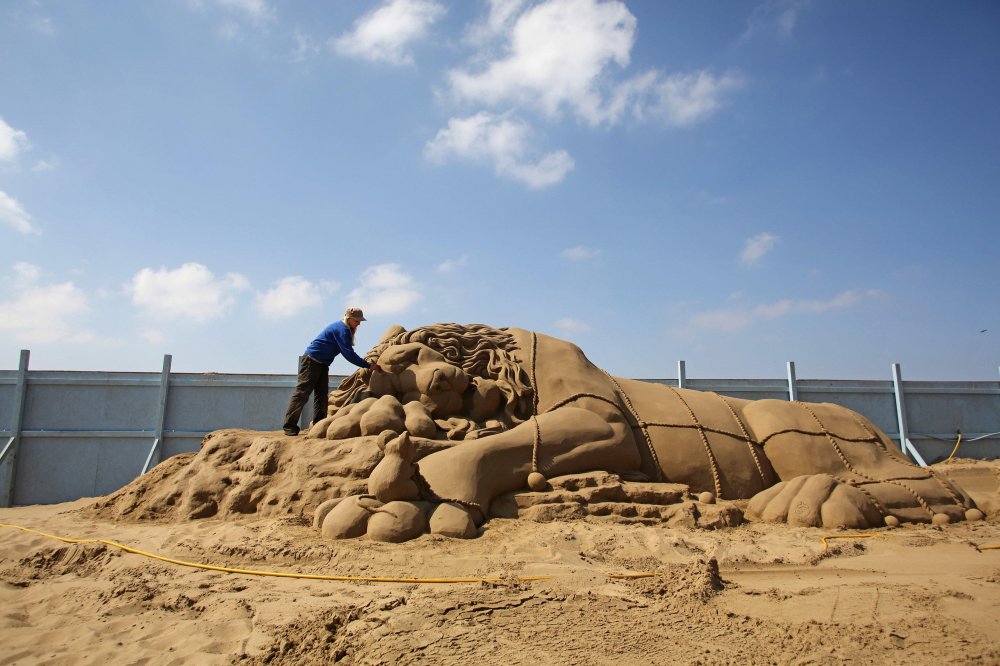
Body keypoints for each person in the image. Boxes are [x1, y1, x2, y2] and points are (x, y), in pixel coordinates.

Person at [283, 306, 380, 436]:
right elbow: (348, 354)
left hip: (322, 364)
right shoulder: (342, 330)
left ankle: (319, 425)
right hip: (311, 361)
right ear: (349, 319)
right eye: (357, 321)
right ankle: (289, 426)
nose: (359, 323)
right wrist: (368, 365)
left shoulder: (346, 329)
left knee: (322, 395)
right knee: (302, 393)